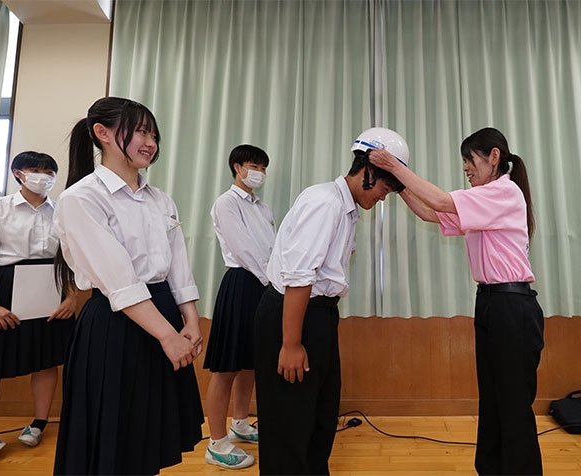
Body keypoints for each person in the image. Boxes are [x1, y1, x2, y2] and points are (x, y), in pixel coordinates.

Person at [369, 127, 544, 476]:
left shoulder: (503, 192)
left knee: (512, 404)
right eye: (463, 161)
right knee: (493, 399)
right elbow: (430, 213)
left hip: (513, 308)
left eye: (470, 160)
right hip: (492, 305)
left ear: (494, 156)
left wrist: (396, 166)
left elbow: (441, 202)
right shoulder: (484, 199)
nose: (465, 168)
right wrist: (398, 184)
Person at [52, 96, 204, 475]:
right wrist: (168, 337)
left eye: (153, 133)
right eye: (139, 131)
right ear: (102, 134)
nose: (150, 142)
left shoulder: (160, 199)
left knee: (149, 436)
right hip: (117, 326)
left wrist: (191, 320)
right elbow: (118, 280)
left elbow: (178, 267)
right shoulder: (81, 198)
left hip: (164, 315)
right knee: (115, 437)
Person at [254, 127, 408, 475]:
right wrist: (291, 344)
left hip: (318, 316)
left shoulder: (344, 207)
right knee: (290, 426)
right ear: (369, 172)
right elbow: (299, 277)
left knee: (319, 418)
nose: (384, 198)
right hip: (294, 315)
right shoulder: (324, 203)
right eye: (386, 188)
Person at [0, 151, 76, 462]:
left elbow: (73, 257)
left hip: (50, 286)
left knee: (46, 361)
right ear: (18, 173)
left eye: (49, 170)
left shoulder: (61, 210)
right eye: (35, 169)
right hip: (3, 290)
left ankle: (38, 423)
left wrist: (71, 297)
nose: (43, 175)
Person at [203, 144, 275, 469]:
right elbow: (244, 250)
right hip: (242, 284)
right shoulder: (226, 203)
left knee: (251, 362)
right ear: (237, 167)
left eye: (263, 166)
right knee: (226, 367)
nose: (258, 171)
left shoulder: (262, 207)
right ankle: (216, 441)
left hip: (264, 285)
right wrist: (273, 282)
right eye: (253, 165)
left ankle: (241, 423)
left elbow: (273, 247)